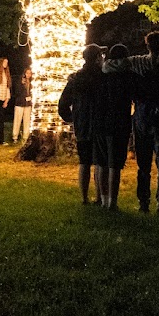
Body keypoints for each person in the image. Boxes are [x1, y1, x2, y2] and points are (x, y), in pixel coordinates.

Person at [124, 31, 159, 214]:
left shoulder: (138, 64)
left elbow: (118, 63)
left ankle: (144, 202)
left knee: (143, 165)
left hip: (142, 117)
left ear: (148, 46)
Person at [58, 45, 104, 204]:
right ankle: (100, 198)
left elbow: (63, 104)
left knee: (84, 162)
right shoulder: (103, 77)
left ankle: (84, 198)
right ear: (98, 57)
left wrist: (73, 118)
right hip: (100, 123)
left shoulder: (76, 79)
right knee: (100, 162)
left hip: (82, 124)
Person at [97, 45, 137, 210]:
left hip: (101, 121)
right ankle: (113, 202)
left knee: (102, 163)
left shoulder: (102, 74)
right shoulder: (128, 76)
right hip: (120, 122)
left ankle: (104, 200)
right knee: (115, 165)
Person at [12, 66, 33, 143]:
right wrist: (21, 85)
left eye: (30, 73)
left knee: (27, 121)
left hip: (28, 104)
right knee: (17, 120)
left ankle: (25, 136)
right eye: (27, 73)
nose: (28, 75)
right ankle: (15, 136)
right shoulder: (19, 81)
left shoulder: (31, 82)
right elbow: (16, 91)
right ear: (24, 73)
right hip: (19, 103)